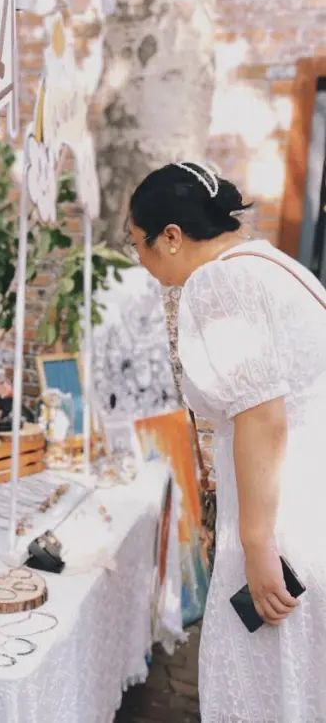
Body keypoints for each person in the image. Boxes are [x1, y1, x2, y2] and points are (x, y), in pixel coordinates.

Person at [128, 161, 326, 721]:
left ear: (171, 236)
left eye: (138, 244)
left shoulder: (219, 283)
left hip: (280, 518)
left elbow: (262, 416)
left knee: (266, 685)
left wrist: (257, 544)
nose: (139, 260)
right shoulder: (275, 265)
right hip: (306, 500)